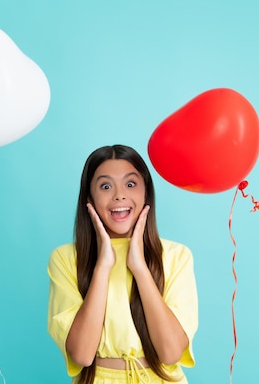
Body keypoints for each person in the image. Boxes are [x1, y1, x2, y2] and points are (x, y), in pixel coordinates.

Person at [47, 145, 198, 384]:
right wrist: (103, 266)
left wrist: (139, 267)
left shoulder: (177, 255)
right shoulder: (66, 258)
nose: (119, 195)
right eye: (105, 186)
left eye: (130, 184)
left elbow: (170, 352)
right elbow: (82, 354)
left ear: (146, 192)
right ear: (90, 199)